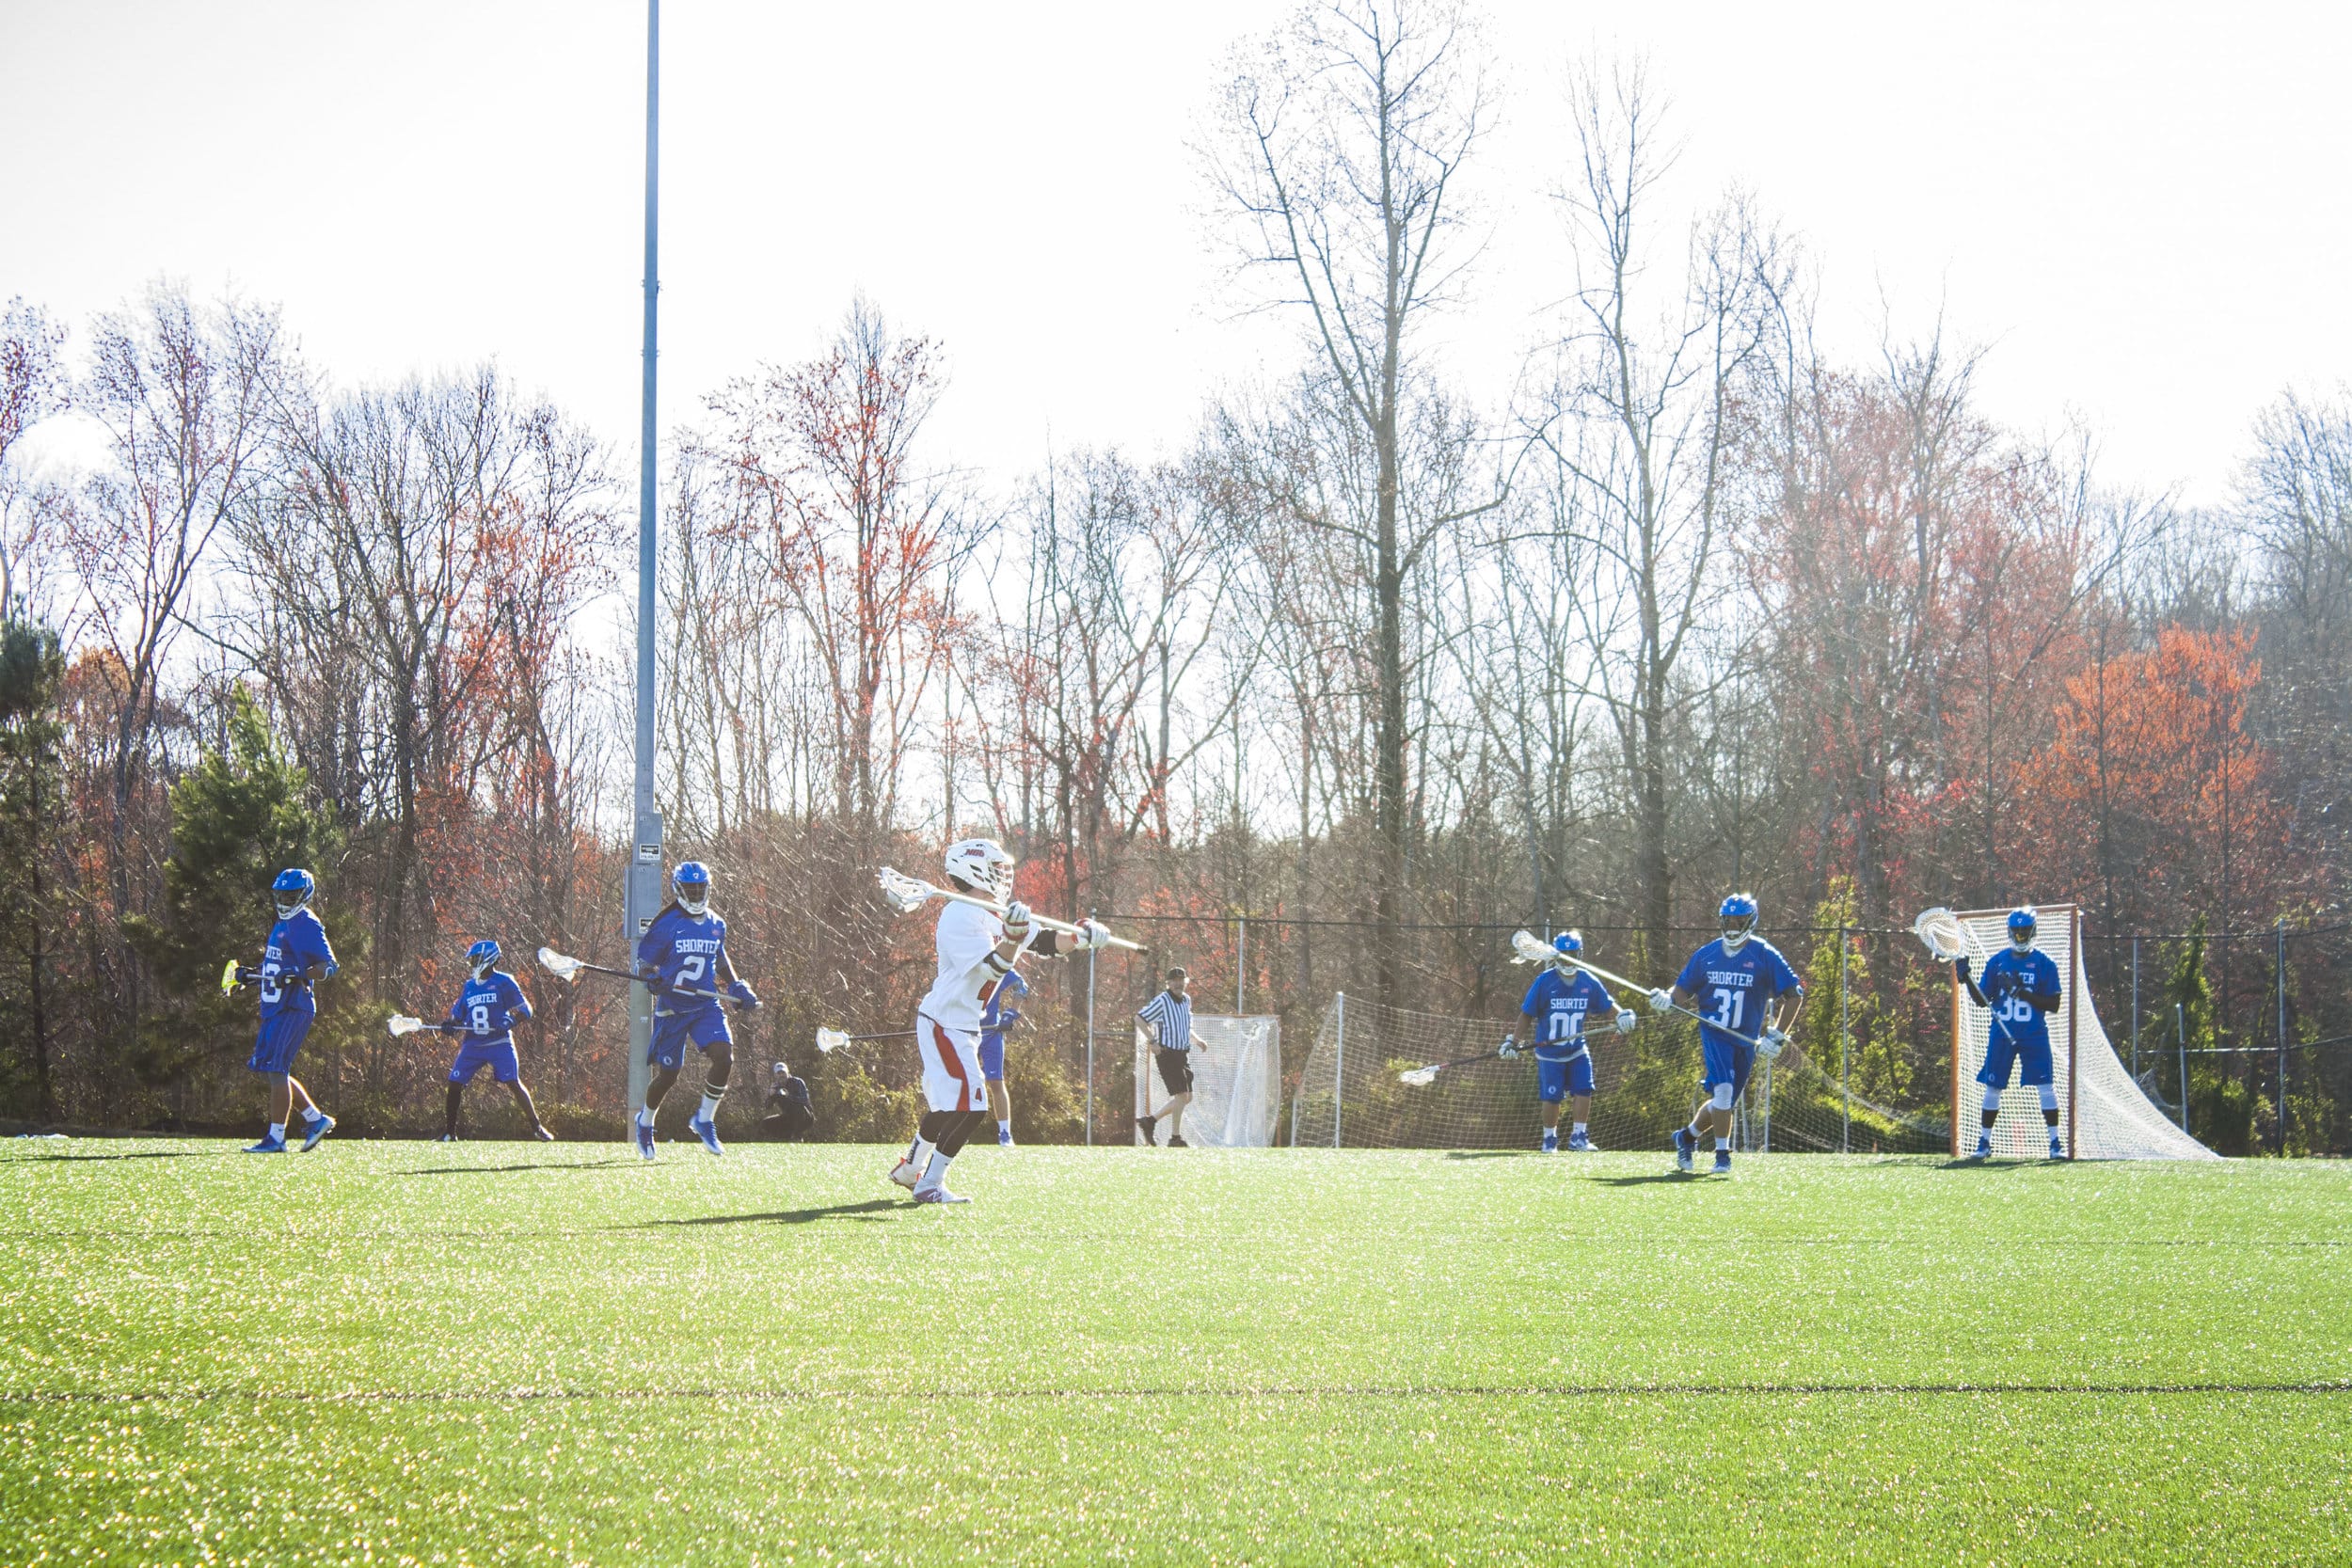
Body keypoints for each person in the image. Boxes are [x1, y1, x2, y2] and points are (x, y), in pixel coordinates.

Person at [891, 838, 1105, 1203]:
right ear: (975, 869)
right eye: (997, 869)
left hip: (962, 1024)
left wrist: (1082, 936)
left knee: (948, 1106)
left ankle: (911, 1168)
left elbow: (1048, 943)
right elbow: (993, 968)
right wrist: (1011, 937)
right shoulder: (959, 914)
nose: (1005, 876)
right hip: (944, 1021)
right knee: (973, 1107)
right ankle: (929, 1183)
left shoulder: (996, 911)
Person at [1657, 894, 1804, 1177]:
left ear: (1751, 921)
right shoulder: (1707, 954)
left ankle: (1686, 1137)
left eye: (1740, 921)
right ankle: (1723, 1156)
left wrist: (1778, 1036)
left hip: (1745, 1040)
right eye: (1728, 921)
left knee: (1722, 1104)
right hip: (1714, 1033)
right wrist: (1667, 999)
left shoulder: (1763, 954)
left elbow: (1794, 995)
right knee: (1723, 1093)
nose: (1733, 927)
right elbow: (1683, 989)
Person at [631, 861, 759, 1160]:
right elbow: (645, 962)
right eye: (690, 888)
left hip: (705, 1006)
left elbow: (720, 958)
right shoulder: (667, 923)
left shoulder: (716, 923)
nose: (695, 893)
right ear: (678, 889)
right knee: (669, 1074)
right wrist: (652, 978)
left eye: (700, 887)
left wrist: (736, 986)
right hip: (673, 1007)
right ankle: (645, 1122)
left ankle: (704, 1119)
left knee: (724, 1056)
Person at [232, 868, 339, 1154]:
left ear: (304, 895)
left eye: (291, 895)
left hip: (294, 1006)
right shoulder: (282, 922)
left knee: (277, 1070)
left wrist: (298, 973)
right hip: (276, 1006)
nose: (286, 900)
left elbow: (329, 966)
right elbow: (277, 966)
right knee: (271, 1070)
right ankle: (316, 1120)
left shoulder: (306, 923)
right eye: (283, 894)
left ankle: (276, 1138)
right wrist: (251, 975)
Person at [1507, 931, 1637, 1151]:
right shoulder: (1545, 981)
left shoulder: (1588, 980)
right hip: (1549, 1051)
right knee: (1552, 1097)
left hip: (1577, 1049)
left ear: (1579, 954)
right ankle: (1549, 1139)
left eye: (1572, 953)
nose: (1568, 958)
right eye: (1564, 954)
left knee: (1584, 1089)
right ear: (1557, 956)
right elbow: (1527, 1014)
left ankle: (1579, 1137)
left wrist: (1622, 1016)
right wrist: (1513, 1041)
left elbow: (1607, 1006)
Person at [1956, 906, 2065, 1159]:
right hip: (2002, 1033)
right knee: (1993, 1086)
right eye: (2016, 932)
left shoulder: (2044, 964)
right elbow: (1983, 1000)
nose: (2020, 937)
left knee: (2046, 1086)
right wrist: (1967, 978)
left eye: (2024, 932)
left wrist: (2022, 993)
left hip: (2034, 1033)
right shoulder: (1997, 962)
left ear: (2033, 931)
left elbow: (2054, 1004)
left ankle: (2054, 1143)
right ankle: (1984, 1143)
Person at [437, 940, 552, 1143]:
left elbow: (526, 1010)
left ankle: (537, 1127)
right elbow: (458, 1016)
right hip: (473, 1044)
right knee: (454, 1082)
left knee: (512, 1082)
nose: (472, 964)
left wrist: (511, 1020)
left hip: (499, 1043)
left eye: (475, 960)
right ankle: (449, 1133)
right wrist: (450, 1025)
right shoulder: (470, 986)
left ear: (487, 960)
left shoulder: (504, 982)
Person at [1136, 968, 1199, 1148]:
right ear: (1168, 983)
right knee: (1181, 1096)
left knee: (1187, 1097)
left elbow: (1186, 1026)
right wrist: (1152, 1041)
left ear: (1186, 981)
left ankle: (1150, 1121)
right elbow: (1139, 1019)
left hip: (1182, 1054)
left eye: (1182, 980)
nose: (1179, 983)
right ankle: (1175, 1138)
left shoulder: (1186, 1000)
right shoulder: (1163, 1001)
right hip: (1167, 1053)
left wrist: (1198, 1040)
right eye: (1175, 980)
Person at [980, 967, 1029, 1148]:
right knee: (959, 1081)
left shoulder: (996, 963)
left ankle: (1005, 1134)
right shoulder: (963, 961)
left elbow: (1021, 986)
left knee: (996, 1082)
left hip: (992, 1031)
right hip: (965, 1031)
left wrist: (1011, 1012)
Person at [761, 1061, 815, 1140]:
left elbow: (804, 1100)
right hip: (789, 1117)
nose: (781, 1075)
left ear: (788, 1072)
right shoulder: (776, 1087)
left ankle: (797, 1137)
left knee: (798, 1108)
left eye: (783, 1073)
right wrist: (770, 1095)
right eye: (778, 1073)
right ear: (775, 1075)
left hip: (806, 1117)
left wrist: (789, 1096)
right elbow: (768, 1107)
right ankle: (787, 1139)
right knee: (765, 1123)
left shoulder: (797, 1082)